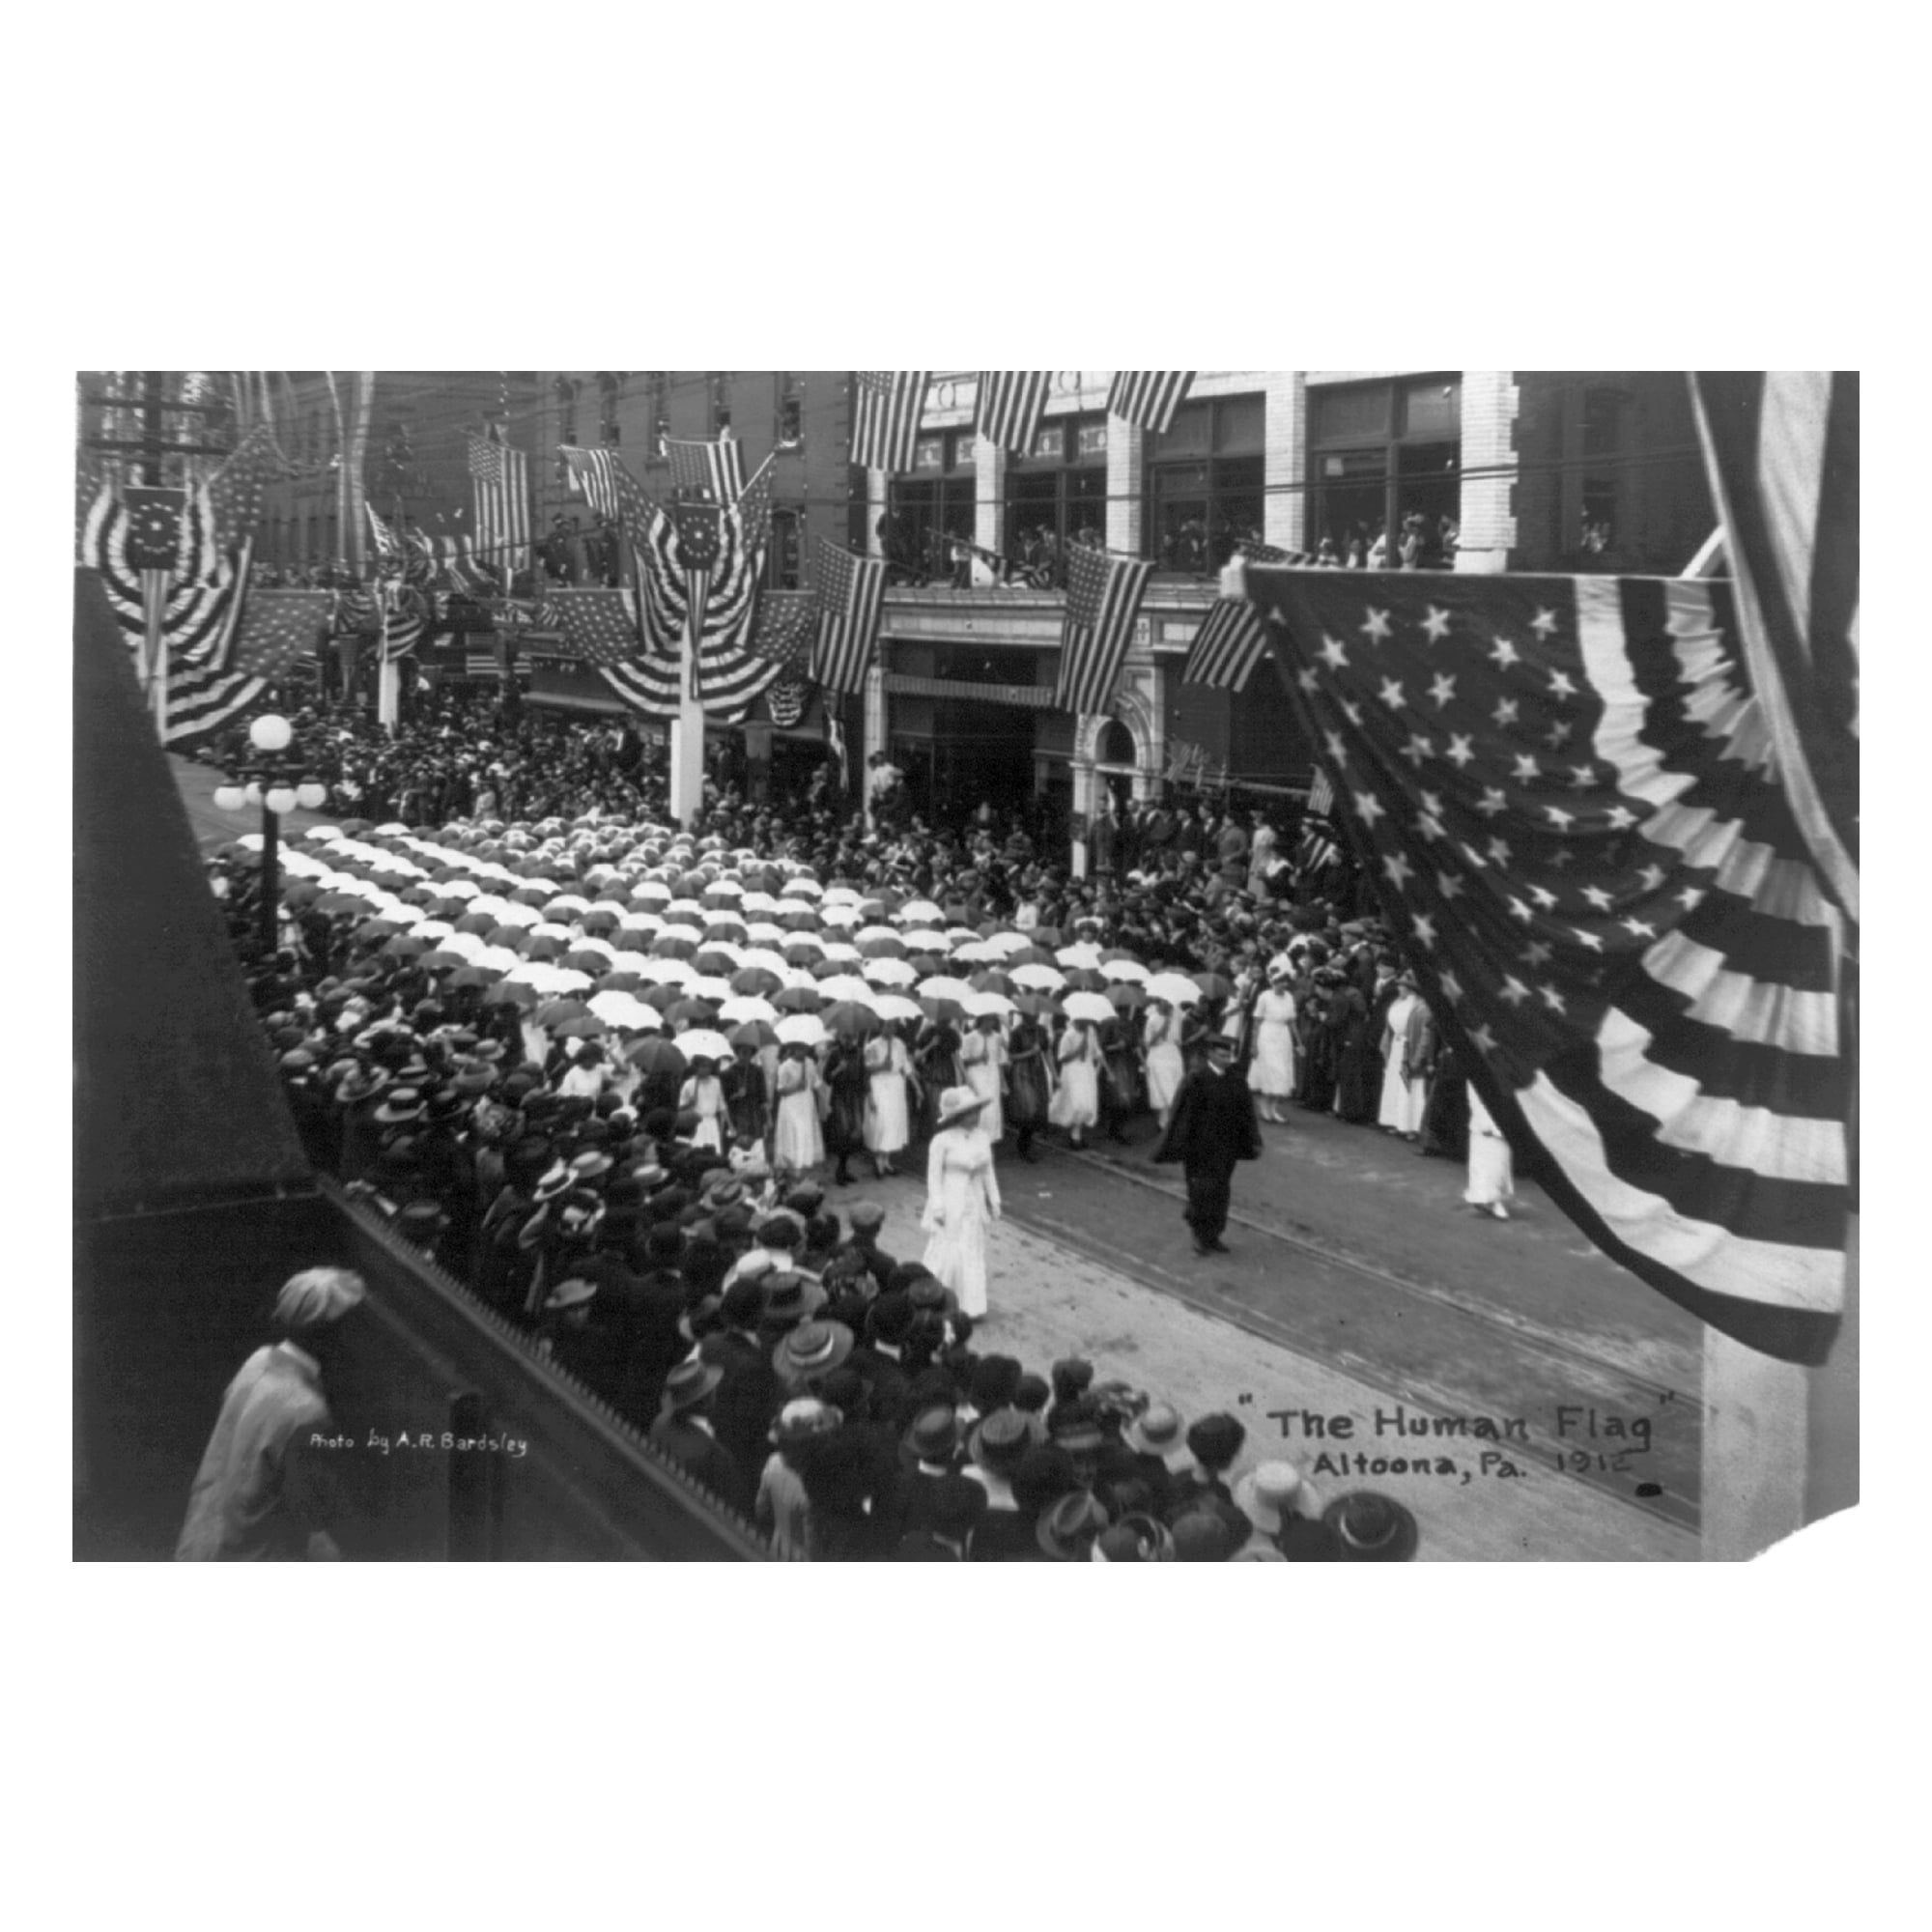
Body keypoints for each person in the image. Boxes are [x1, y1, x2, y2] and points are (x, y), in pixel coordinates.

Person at [177, 1266, 366, 1561]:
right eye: (352, 1328)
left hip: (200, 1542)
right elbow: (311, 1516)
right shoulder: (308, 1412)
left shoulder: (257, 1361)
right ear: (327, 1335)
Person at [1152, 1032, 1263, 1257]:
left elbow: (1247, 1112)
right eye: (1222, 1055)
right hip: (1200, 1148)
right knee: (1201, 1192)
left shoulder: (1236, 1079)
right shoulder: (1197, 1079)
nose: (1226, 1059)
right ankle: (1199, 1234)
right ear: (1210, 1054)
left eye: (1228, 1055)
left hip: (1226, 1147)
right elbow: (1184, 1116)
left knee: (1221, 1191)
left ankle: (1213, 1235)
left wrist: (1253, 1139)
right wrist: (1185, 1144)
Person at [920, 1086, 1002, 1320]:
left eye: (976, 1111)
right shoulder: (941, 1140)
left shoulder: (982, 1137)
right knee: (949, 1250)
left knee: (971, 1249)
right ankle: (938, 1298)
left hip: (973, 1200)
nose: (975, 1117)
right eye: (969, 1113)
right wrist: (937, 1206)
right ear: (957, 1116)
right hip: (950, 1199)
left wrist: (994, 1199)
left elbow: (988, 1171)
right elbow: (933, 1177)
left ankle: (971, 1306)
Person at [1377, 973, 1429, 1139]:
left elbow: (1424, 1034)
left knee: (1409, 1087)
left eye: (1403, 986)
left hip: (1409, 1047)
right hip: (1396, 1046)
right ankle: (1394, 1120)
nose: (1399, 988)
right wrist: (1386, 1046)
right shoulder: (1397, 1003)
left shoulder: (1420, 1006)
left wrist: (1417, 1056)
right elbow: (1389, 1028)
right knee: (1394, 1084)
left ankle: (1410, 1126)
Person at [862, 1022, 914, 1179]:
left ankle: (887, 1161)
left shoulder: (900, 1044)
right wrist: (881, 1066)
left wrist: (917, 1088)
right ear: (881, 1027)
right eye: (887, 1026)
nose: (890, 1029)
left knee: (893, 1122)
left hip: (896, 1086)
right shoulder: (872, 1045)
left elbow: (906, 1066)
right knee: (881, 1122)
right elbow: (867, 1068)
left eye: (893, 1026)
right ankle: (878, 1161)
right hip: (880, 1085)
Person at [1247, 966, 1298, 1124]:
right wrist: (1253, 1044)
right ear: (1273, 982)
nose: (1282, 985)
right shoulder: (1264, 997)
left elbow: (1291, 1021)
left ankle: (1273, 1108)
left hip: (1283, 1037)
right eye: (1279, 982)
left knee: (1282, 1072)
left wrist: (1299, 1042)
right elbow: (1256, 1022)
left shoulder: (1289, 997)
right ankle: (1264, 1107)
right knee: (1270, 1070)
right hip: (1267, 1035)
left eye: (1285, 982)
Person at [1464, 1082, 1517, 1221]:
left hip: (1504, 1120)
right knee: (1481, 1163)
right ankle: (1483, 1198)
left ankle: (1496, 1201)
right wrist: (1483, 1123)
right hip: (1484, 1123)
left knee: (1500, 1164)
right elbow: (1474, 1098)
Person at [772, 1040, 825, 1176]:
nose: (802, 1052)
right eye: (799, 1049)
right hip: (791, 1104)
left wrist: (824, 1101)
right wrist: (795, 1087)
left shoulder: (810, 1062)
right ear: (793, 1049)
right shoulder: (785, 1066)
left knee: (805, 1132)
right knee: (795, 1131)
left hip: (806, 1103)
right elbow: (781, 1090)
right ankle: (794, 1166)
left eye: (804, 1049)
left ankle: (803, 1165)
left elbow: (816, 1082)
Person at [1048, 1016, 1102, 1150]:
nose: (1086, 1024)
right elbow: (1062, 1058)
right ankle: (1074, 1136)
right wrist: (1076, 1052)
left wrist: (1099, 1056)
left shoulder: (1091, 1031)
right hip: (1073, 1070)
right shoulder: (1069, 1035)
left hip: (1087, 1070)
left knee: (1088, 1104)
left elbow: (1095, 1050)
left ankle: (1076, 1133)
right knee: (1078, 1104)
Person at [957, 1011, 1007, 1145]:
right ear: (981, 1020)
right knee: (980, 1106)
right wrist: (977, 1058)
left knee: (992, 1107)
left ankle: (989, 1138)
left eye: (992, 1021)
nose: (990, 1023)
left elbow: (1000, 1060)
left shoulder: (997, 1037)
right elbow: (963, 1060)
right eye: (987, 1020)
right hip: (976, 1074)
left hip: (992, 1074)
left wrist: (1003, 1082)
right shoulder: (970, 1037)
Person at [1143, 998, 1186, 1127]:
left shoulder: (1176, 1016)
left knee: (1176, 1086)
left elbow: (1177, 1039)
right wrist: (1164, 1025)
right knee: (1164, 1090)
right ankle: (1164, 1124)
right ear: (1160, 1002)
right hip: (1158, 1055)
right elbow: (1149, 1042)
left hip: (1173, 1055)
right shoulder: (1152, 1019)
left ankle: (1166, 1123)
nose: (1168, 1005)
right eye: (1165, 1002)